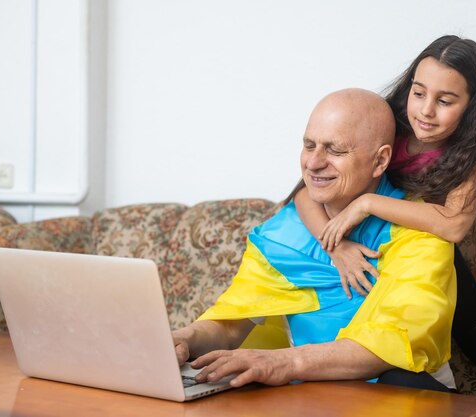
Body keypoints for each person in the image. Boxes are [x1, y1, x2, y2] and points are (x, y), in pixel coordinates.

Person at [293, 36, 476, 417]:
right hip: (370, 251)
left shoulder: (471, 157)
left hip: (426, 256)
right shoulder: (385, 126)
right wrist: (336, 246)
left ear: (471, 106)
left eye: (445, 101)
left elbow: (454, 225)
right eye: (418, 93)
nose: (426, 111)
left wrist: (366, 203)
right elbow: (304, 194)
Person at [172, 88, 457, 392]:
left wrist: (284, 362)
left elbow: (390, 343)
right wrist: (185, 338)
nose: (313, 163)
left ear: (380, 160)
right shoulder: (282, 234)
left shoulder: (420, 233)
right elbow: (229, 327)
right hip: (316, 394)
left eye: (335, 151)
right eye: (309, 146)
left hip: (407, 394)